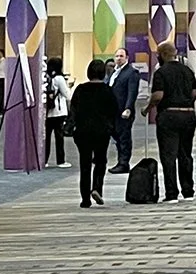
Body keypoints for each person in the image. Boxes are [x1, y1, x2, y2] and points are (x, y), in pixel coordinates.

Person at [149, 40, 196, 202]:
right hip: (188, 115)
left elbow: (158, 96)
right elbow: (194, 93)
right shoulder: (187, 70)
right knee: (185, 154)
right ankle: (188, 191)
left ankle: (171, 193)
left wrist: (147, 108)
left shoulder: (161, 72)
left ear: (163, 55)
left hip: (169, 116)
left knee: (169, 155)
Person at [70, 59, 120, 207]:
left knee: (84, 163)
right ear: (103, 73)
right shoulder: (107, 90)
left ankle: (85, 198)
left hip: (83, 131)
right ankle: (97, 188)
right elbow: (114, 110)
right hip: (101, 131)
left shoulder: (80, 89)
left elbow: (73, 110)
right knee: (100, 160)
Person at [107, 48, 141, 174]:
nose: (118, 58)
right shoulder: (114, 72)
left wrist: (128, 108)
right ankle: (120, 161)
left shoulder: (132, 73)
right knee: (117, 137)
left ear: (127, 58)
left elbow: (132, 92)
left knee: (124, 138)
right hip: (113, 111)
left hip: (123, 111)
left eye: (121, 56)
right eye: (117, 56)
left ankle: (124, 163)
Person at [44, 57, 72, 168]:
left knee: (46, 137)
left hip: (47, 111)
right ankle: (60, 161)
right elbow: (67, 95)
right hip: (58, 111)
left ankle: (44, 160)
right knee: (59, 137)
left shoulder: (46, 77)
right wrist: (69, 86)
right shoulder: (59, 78)